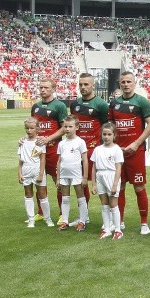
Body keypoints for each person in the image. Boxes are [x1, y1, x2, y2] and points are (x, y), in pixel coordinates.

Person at [109, 71, 150, 235]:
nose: (126, 84)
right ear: (120, 84)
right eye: (123, 82)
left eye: (129, 81)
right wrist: (113, 146)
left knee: (139, 187)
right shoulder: (114, 104)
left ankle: (144, 223)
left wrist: (136, 143)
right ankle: (119, 220)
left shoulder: (141, 102)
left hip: (136, 152)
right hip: (118, 154)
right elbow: (110, 127)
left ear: (134, 84)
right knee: (119, 187)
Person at [70, 73, 110, 224]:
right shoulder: (75, 104)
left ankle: (110, 218)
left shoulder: (101, 104)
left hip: (95, 151)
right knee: (80, 183)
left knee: (102, 184)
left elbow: (106, 127)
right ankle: (83, 217)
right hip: (78, 151)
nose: (83, 87)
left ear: (93, 85)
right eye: (81, 84)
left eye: (86, 84)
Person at [30, 78, 67, 220]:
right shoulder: (36, 107)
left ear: (53, 89)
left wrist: (48, 139)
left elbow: (64, 128)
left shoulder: (59, 106)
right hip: (38, 149)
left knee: (58, 181)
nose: (43, 90)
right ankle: (41, 212)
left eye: (46, 87)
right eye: (41, 87)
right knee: (38, 180)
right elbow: (33, 127)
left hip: (53, 149)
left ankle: (62, 214)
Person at [89, 122, 124, 240]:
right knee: (104, 204)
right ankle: (107, 229)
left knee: (113, 204)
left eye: (109, 134)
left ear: (114, 135)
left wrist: (115, 184)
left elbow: (118, 168)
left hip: (111, 176)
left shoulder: (117, 149)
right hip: (100, 176)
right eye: (104, 134)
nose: (106, 137)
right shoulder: (97, 149)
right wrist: (93, 184)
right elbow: (93, 167)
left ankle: (118, 229)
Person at [17, 117, 53, 227]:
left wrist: (41, 174)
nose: (29, 130)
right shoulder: (22, 142)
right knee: (28, 194)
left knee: (42, 194)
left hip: (37, 170)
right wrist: (19, 173)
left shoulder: (40, 142)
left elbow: (43, 158)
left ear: (37, 129)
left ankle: (48, 218)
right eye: (27, 128)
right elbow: (20, 159)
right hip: (26, 170)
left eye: (32, 128)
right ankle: (31, 218)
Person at [55, 116, 89, 231]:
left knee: (80, 197)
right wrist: (58, 178)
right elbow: (59, 161)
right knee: (65, 198)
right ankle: (65, 221)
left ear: (77, 127)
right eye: (65, 126)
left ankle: (82, 221)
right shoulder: (62, 144)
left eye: (70, 126)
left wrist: (85, 177)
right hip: (64, 175)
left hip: (76, 175)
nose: (68, 129)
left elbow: (85, 160)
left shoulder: (80, 142)